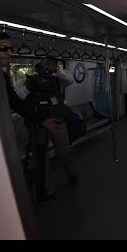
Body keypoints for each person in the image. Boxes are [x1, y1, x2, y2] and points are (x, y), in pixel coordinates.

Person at [0, 31, 60, 204]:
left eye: (11, 49)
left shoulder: (1, 76)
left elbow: (15, 102)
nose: (10, 53)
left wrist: (41, 120)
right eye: (3, 49)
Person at [22, 56, 78, 186]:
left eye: (50, 65)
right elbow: (19, 95)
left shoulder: (58, 80)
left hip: (58, 121)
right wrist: (28, 85)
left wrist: (56, 70)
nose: (47, 67)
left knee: (63, 151)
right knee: (40, 154)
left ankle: (70, 172)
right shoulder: (33, 80)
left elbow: (70, 80)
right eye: (45, 64)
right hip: (39, 123)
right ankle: (45, 182)